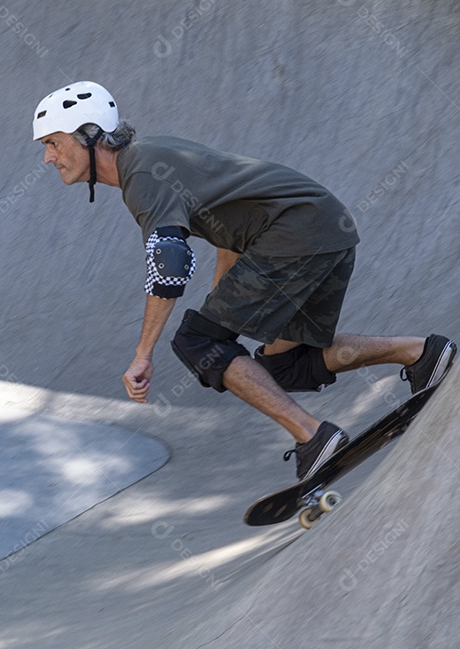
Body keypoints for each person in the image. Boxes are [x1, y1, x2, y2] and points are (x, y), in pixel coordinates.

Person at [33, 81, 456, 479]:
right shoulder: (152, 157)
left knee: (197, 342)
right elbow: (229, 232)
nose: (49, 157)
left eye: (53, 142)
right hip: (324, 228)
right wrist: (222, 308)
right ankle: (422, 353)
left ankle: (314, 437)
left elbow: (169, 265)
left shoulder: (141, 173)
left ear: (89, 134)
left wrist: (143, 354)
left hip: (296, 233)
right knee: (284, 365)